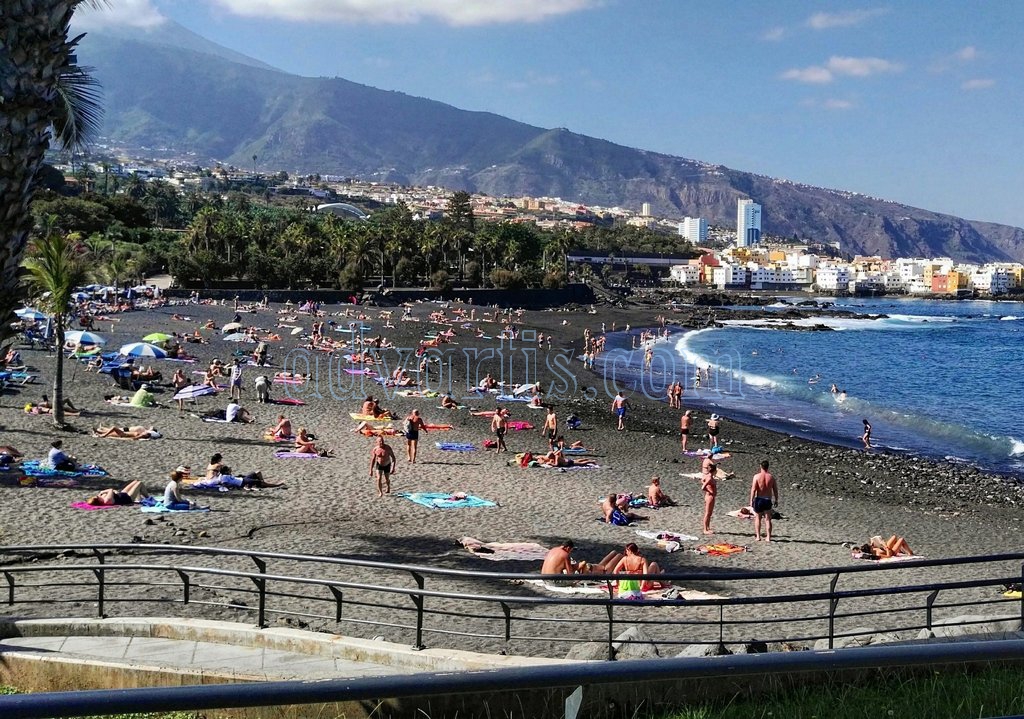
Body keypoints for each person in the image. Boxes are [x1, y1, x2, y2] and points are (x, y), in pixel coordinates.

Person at [749, 459, 779, 542]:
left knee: (758, 518)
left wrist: (751, 500)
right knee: (768, 519)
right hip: (767, 499)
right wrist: (776, 500)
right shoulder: (771, 477)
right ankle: (768, 537)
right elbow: (775, 490)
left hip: (759, 499)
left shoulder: (756, 476)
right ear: (767, 467)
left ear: (760, 467)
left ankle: (758, 536)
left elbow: (753, 489)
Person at [701, 461, 717, 535]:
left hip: (710, 496)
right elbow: (703, 487)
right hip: (709, 496)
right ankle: (705, 529)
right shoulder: (709, 478)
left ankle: (708, 527)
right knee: (707, 513)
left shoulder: (707, 476)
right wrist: (710, 491)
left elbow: (702, 481)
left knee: (709, 513)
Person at [93, 425, 161, 440]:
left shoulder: (139, 435)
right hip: (123, 434)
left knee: (114, 428)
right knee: (111, 432)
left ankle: (103, 434)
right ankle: (100, 432)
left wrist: (138, 437)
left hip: (123, 434)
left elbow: (133, 438)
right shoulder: (141, 434)